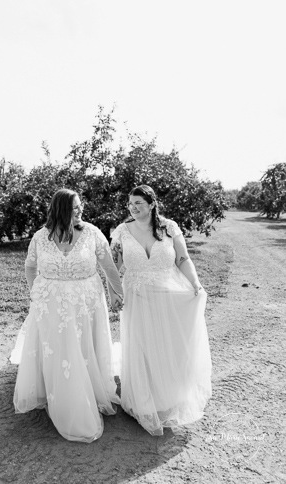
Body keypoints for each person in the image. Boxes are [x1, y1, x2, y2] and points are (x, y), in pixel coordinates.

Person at [10, 188, 124, 442]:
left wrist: (118, 292)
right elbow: (30, 266)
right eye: (75, 207)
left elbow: (108, 267)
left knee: (82, 347)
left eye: (81, 205)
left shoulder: (92, 233)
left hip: (86, 302)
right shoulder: (41, 237)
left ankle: (87, 393)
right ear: (61, 209)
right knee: (58, 349)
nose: (81, 210)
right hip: (50, 304)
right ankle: (57, 394)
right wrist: (36, 293)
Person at [110, 184, 212, 436]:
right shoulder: (122, 231)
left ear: (152, 204)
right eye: (130, 204)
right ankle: (144, 401)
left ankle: (167, 396)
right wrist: (113, 291)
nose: (133, 208)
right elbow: (115, 266)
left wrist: (195, 284)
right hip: (135, 295)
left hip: (167, 293)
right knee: (141, 345)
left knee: (166, 344)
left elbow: (182, 259)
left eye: (138, 204)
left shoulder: (169, 227)